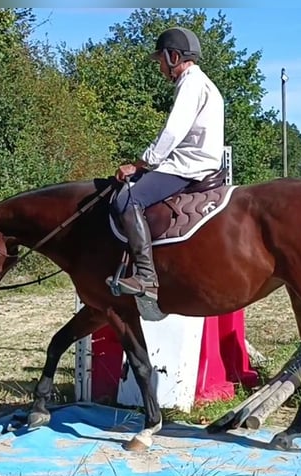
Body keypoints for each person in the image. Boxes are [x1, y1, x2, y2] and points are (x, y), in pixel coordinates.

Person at [107, 26, 225, 302]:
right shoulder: (204, 83)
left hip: (187, 165)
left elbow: (173, 132)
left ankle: (146, 276)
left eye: (161, 59)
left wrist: (141, 164)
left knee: (127, 200)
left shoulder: (190, 83)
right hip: (200, 162)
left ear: (173, 57)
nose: (160, 66)